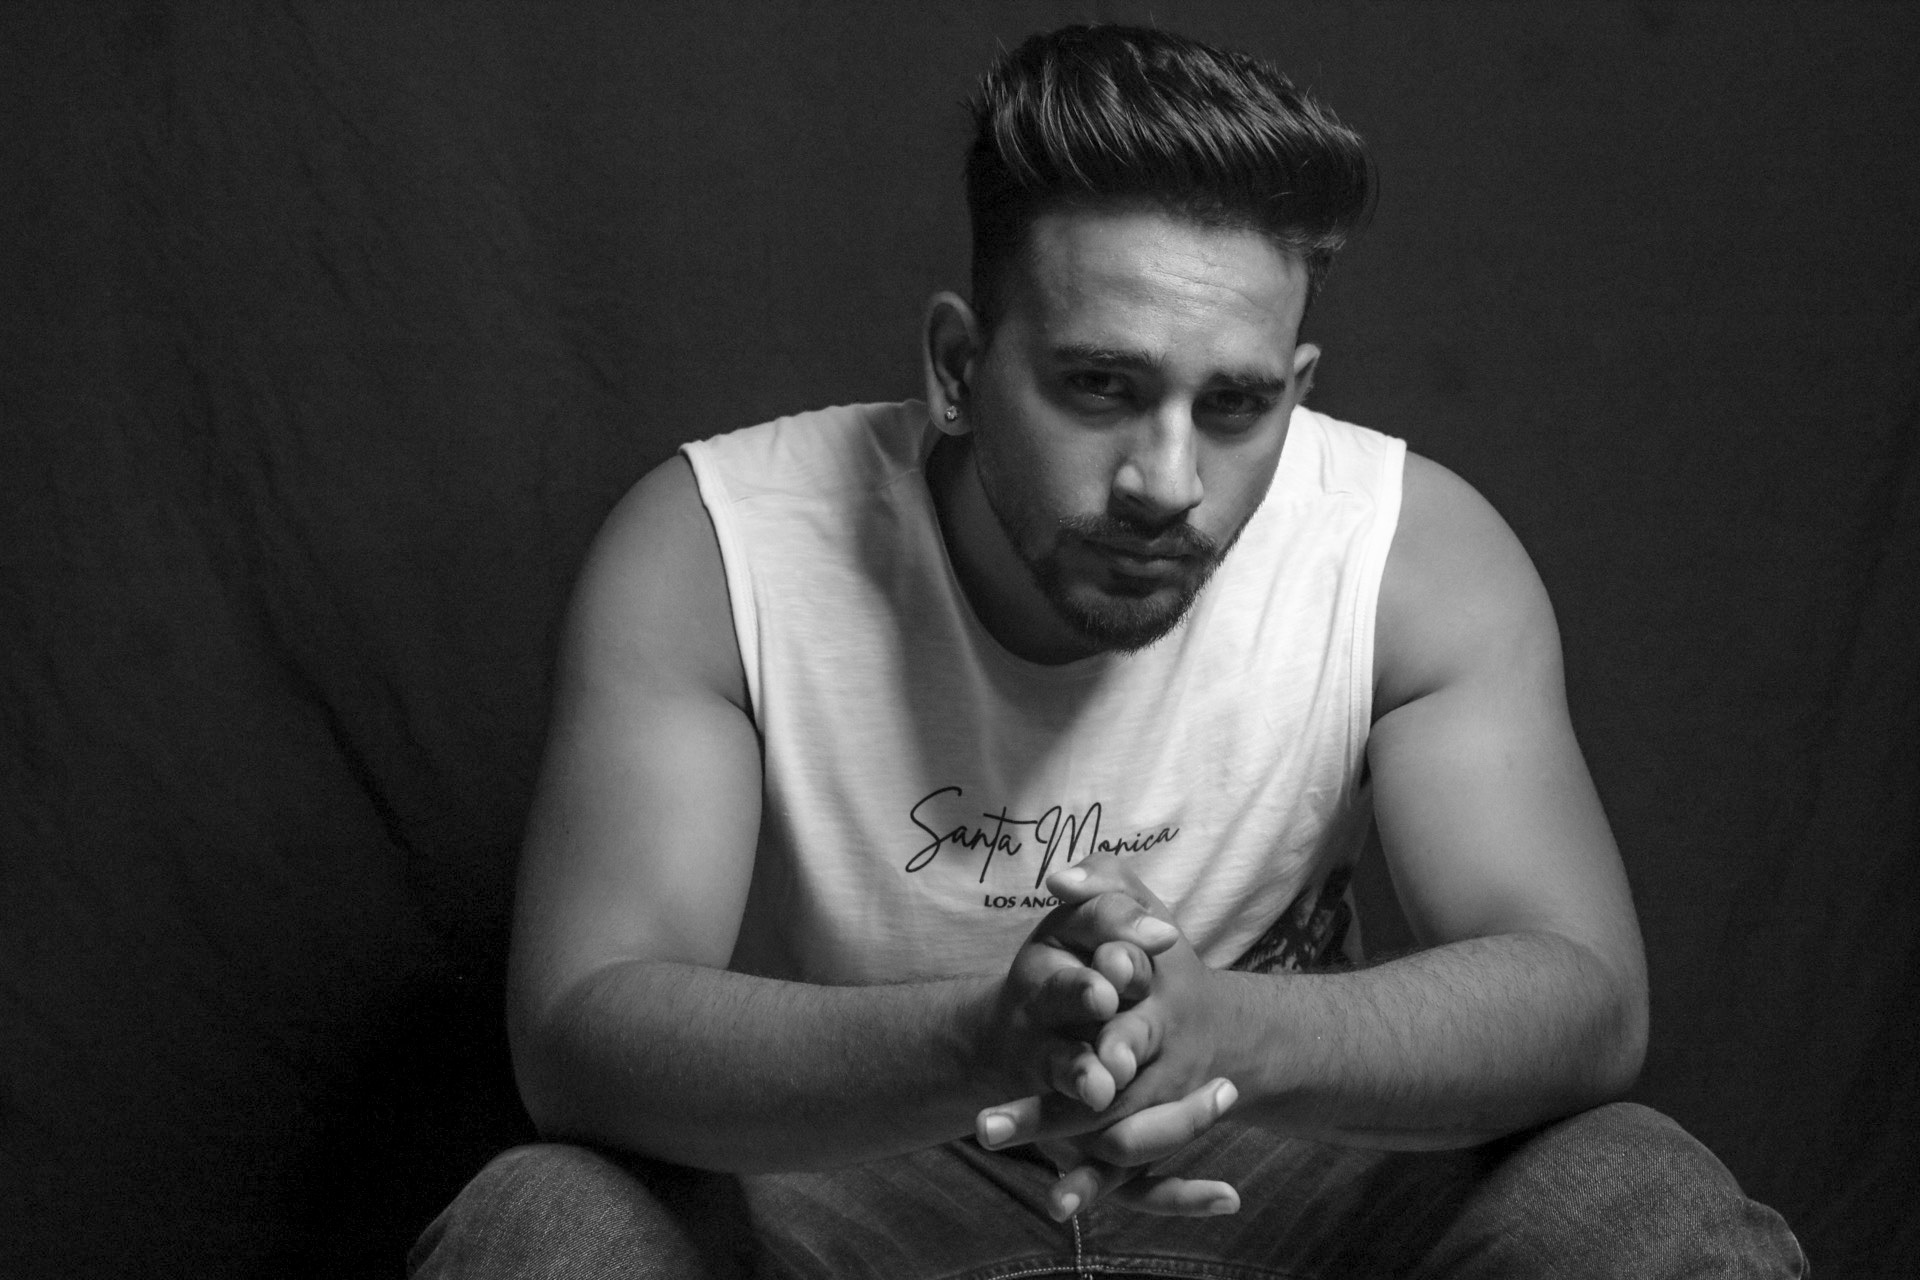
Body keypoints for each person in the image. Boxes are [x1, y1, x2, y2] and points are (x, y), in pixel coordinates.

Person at [412, 23, 1803, 1279]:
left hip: (1270, 1148)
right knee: (546, 1223)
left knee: (1639, 1197)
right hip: (844, 1159)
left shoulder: (1408, 552)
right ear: (959, 367)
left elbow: (1586, 996)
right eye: (1100, 385)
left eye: (1235, 406)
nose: (1167, 482)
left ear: (1297, 389)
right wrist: (982, 1042)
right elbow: (578, 1037)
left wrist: (1227, 1033)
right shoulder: (716, 549)